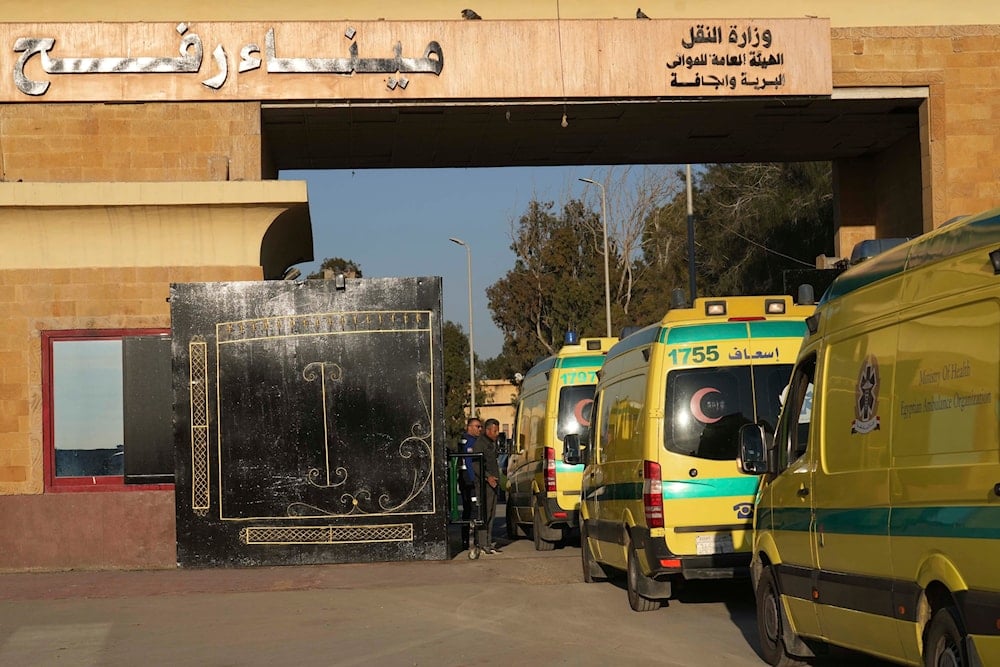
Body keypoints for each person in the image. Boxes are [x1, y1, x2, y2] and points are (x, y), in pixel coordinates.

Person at [470, 418, 502, 554]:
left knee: (492, 514)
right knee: (484, 513)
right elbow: (476, 464)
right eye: (494, 431)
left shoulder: (491, 443)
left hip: (493, 484)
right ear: (488, 430)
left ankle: (488, 543)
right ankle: (483, 543)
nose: (497, 433)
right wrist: (487, 477)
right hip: (484, 485)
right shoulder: (480, 444)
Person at [453, 418, 482, 544]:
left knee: (467, 509)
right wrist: (475, 479)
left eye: (480, 427)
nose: (480, 429)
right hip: (469, 479)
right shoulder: (470, 441)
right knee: (474, 509)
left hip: (465, 478)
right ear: (469, 427)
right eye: (477, 426)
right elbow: (469, 461)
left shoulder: (463, 440)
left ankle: (466, 539)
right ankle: (472, 539)